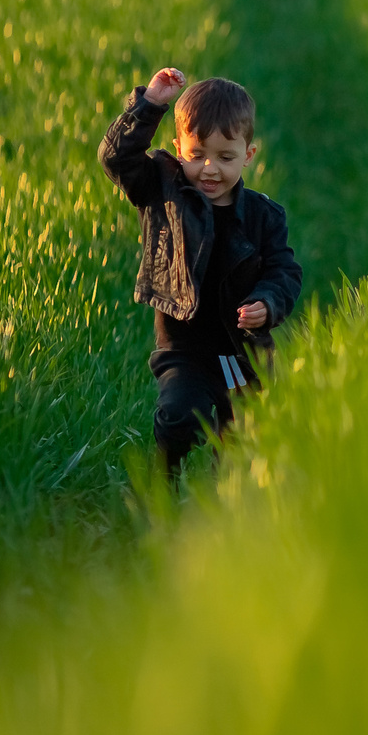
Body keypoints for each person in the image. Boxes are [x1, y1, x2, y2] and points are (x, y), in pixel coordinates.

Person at [98, 68, 302, 477]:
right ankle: (165, 475)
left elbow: (285, 271)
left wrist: (268, 302)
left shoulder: (265, 217)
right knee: (178, 417)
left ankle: (224, 504)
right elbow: (116, 159)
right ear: (177, 149)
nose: (209, 169)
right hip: (184, 347)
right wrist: (150, 104)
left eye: (225, 158)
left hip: (240, 352)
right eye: (196, 155)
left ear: (248, 155)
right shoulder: (162, 192)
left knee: (242, 437)